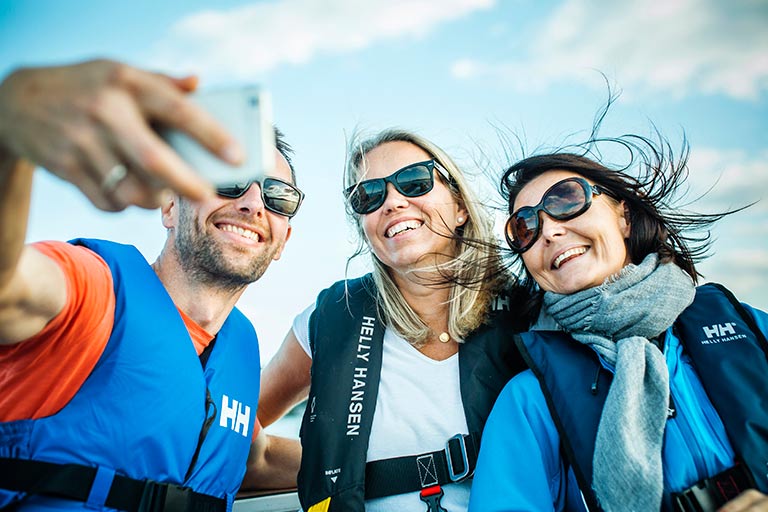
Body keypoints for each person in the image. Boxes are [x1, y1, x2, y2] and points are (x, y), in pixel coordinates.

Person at [0, 59, 302, 510]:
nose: (254, 203)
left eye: (277, 197)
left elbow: (252, 457)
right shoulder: (93, 286)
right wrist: (10, 134)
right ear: (168, 204)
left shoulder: (238, 346)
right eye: (229, 181)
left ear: (282, 241)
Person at [469, 132, 768, 511]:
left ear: (624, 216)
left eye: (566, 201)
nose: (550, 231)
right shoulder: (529, 402)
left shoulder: (749, 329)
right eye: (526, 228)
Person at [257, 129, 529, 512]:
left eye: (415, 181)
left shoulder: (531, 315)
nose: (394, 202)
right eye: (369, 196)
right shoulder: (333, 318)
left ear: (460, 206)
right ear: (364, 226)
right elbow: (240, 431)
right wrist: (334, 466)